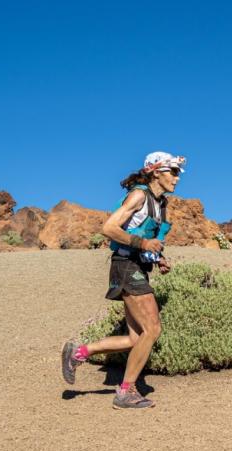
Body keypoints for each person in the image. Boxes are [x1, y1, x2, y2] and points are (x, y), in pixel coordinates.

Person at [61, 151, 186, 409]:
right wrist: (143, 243)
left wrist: (157, 257)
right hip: (126, 266)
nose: (177, 178)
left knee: (134, 338)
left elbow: (142, 235)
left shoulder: (160, 203)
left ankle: (79, 353)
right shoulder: (139, 195)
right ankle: (126, 392)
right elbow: (108, 228)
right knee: (152, 329)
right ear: (155, 172)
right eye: (172, 172)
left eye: (177, 173)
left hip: (136, 264)